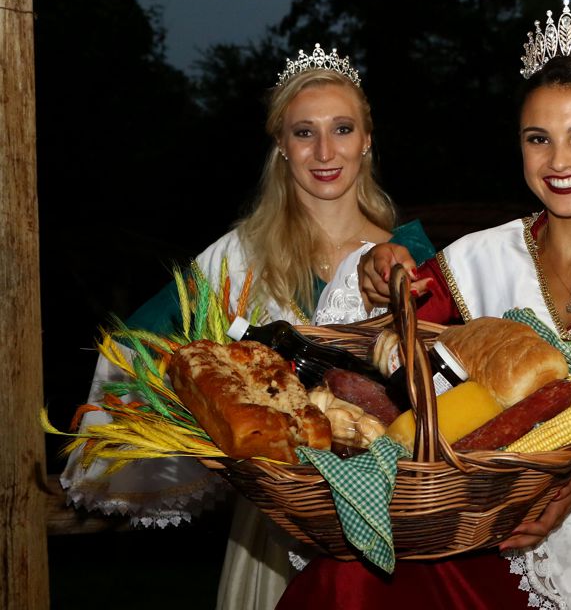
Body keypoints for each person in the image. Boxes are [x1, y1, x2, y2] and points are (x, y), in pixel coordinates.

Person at [278, 1, 571, 610]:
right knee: (344, 584)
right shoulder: (478, 260)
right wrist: (382, 271)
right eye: (539, 140)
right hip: (484, 524)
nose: (559, 162)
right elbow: (388, 354)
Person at [59, 44, 437, 609]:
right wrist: (209, 427)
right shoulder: (240, 257)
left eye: (342, 128)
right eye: (303, 133)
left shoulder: (407, 254)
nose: (325, 151)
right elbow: (138, 345)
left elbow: (447, 381)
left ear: (367, 139)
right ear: (281, 147)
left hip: (393, 515)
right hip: (277, 528)